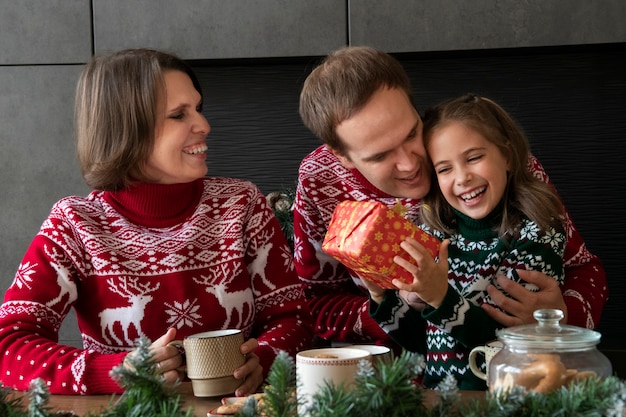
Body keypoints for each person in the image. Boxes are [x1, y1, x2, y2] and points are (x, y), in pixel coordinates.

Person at [0, 48, 313, 395]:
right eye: (179, 115)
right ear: (126, 128)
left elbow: (293, 319)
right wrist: (117, 371)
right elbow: (9, 348)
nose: (204, 125)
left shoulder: (243, 205)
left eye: (198, 108)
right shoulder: (74, 224)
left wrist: (265, 359)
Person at [294, 45, 606, 349]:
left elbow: (583, 268)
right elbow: (315, 304)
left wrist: (561, 317)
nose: (410, 163)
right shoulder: (319, 179)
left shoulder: (479, 154)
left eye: (411, 134)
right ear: (342, 156)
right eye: (380, 156)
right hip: (391, 371)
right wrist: (403, 305)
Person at [364, 94, 566, 389]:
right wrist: (381, 297)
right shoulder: (434, 236)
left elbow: (506, 343)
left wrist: (440, 298)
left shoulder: (537, 233)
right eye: (444, 169)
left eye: (473, 158)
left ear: (507, 156)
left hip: (508, 399)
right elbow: (424, 345)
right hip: (440, 399)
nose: (462, 177)